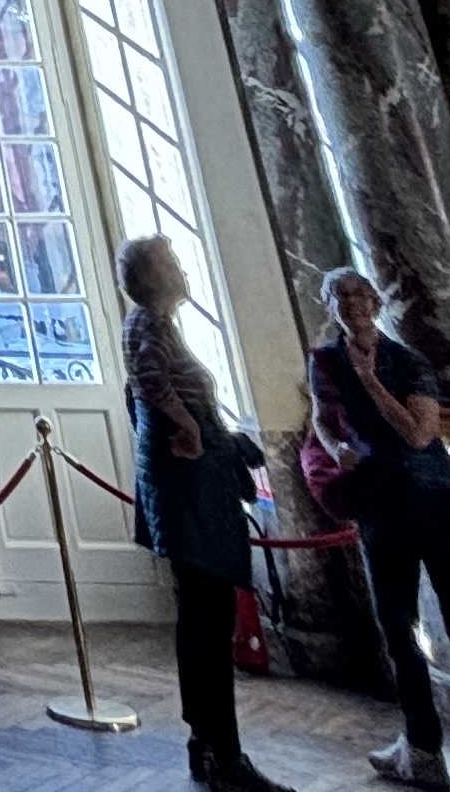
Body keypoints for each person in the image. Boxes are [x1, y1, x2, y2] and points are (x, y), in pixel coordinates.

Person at [308, 265, 450, 788]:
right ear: (329, 305)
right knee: (398, 632)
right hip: (381, 507)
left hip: (435, 502)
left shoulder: (407, 361)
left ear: (376, 303)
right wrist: (336, 447)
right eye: (340, 295)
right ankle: (422, 749)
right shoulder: (326, 361)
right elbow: (321, 415)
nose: (352, 303)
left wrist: (370, 382)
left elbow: (420, 434)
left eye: (360, 293)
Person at [125, 233, 289, 790]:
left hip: (189, 485)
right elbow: (150, 384)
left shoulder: (156, 324)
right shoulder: (148, 325)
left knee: (203, 617)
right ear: (153, 276)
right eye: (171, 261)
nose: (181, 267)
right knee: (206, 618)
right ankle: (222, 752)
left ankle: (212, 745)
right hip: (189, 488)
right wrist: (189, 426)